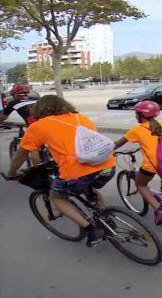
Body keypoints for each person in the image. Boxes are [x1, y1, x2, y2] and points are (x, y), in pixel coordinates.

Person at [5, 95, 116, 246]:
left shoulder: (39, 126)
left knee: (57, 197)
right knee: (88, 186)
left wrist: (12, 173)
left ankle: (92, 230)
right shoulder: (80, 118)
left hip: (76, 173)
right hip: (107, 166)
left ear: (39, 109)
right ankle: (105, 217)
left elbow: (22, 154)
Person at [113, 101, 162, 225]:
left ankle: (158, 208)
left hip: (152, 164)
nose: (135, 116)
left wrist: (104, 151)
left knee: (141, 185)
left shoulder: (137, 129)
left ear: (141, 115)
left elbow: (117, 144)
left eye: (136, 113)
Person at [1, 83, 41, 164]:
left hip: (35, 124)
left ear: (14, 94)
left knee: (33, 148)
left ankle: (39, 173)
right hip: (51, 120)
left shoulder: (13, 102)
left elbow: (3, 117)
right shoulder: (35, 99)